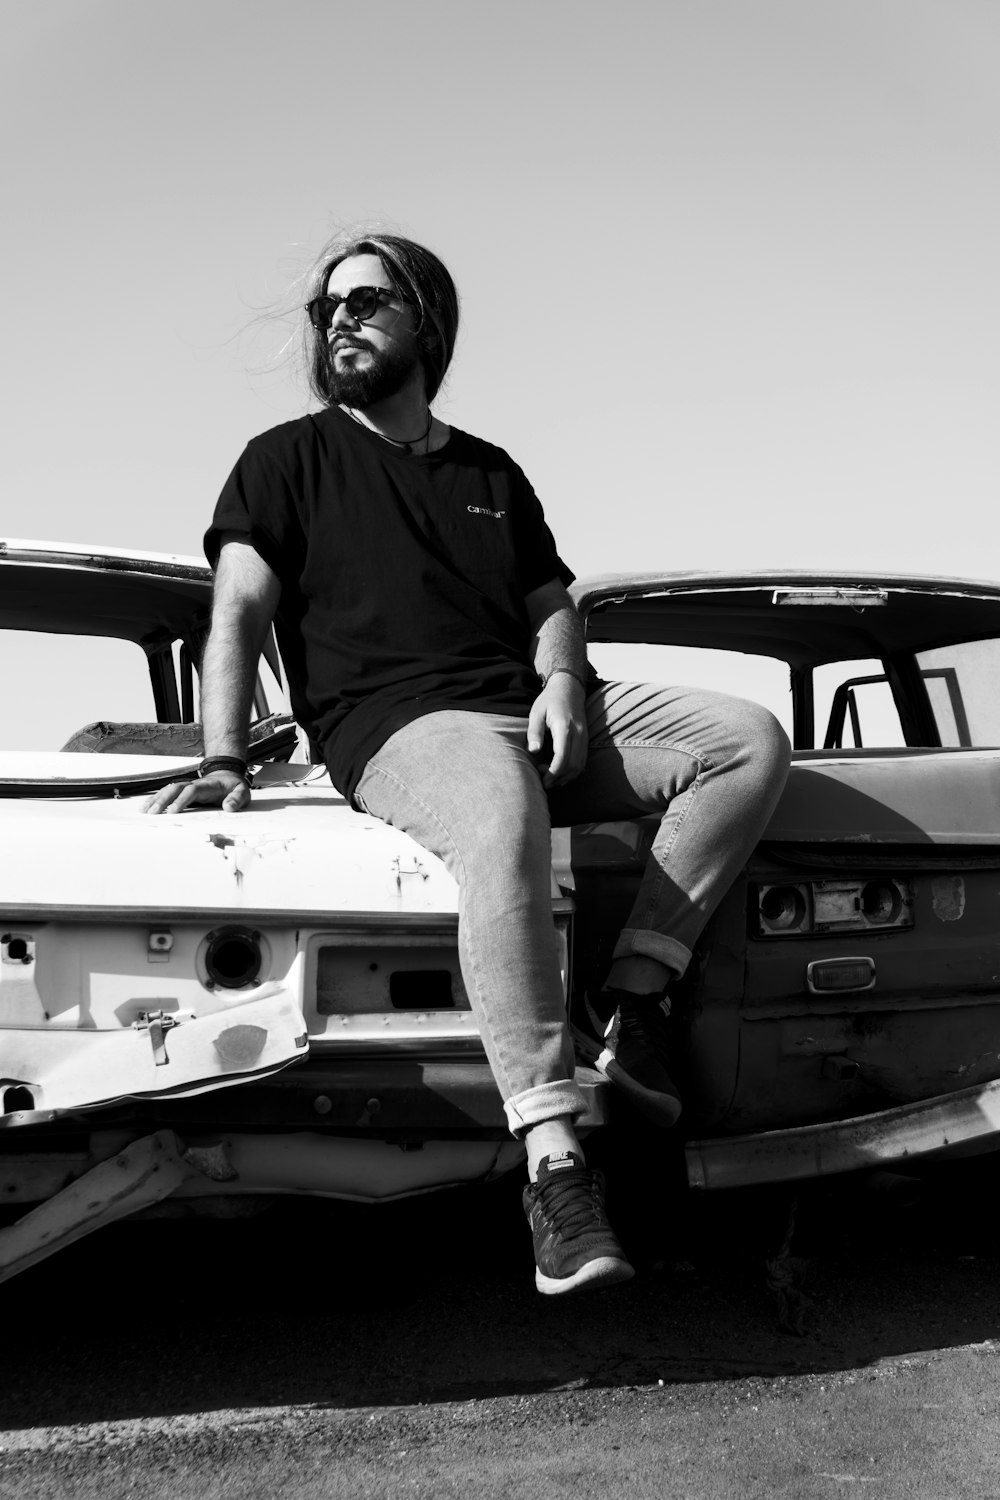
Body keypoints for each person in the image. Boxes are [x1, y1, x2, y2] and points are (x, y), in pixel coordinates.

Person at [145, 229, 790, 1296]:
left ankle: (630, 1005)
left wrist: (563, 683)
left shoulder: (491, 471)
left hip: (521, 709)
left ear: (425, 319)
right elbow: (236, 614)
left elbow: (554, 610)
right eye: (325, 309)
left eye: (364, 300)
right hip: (398, 725)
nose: (337, 320)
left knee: (744, 739)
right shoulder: (284, 459)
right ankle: (554, 1162)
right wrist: (221, 755)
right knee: (500, 811)